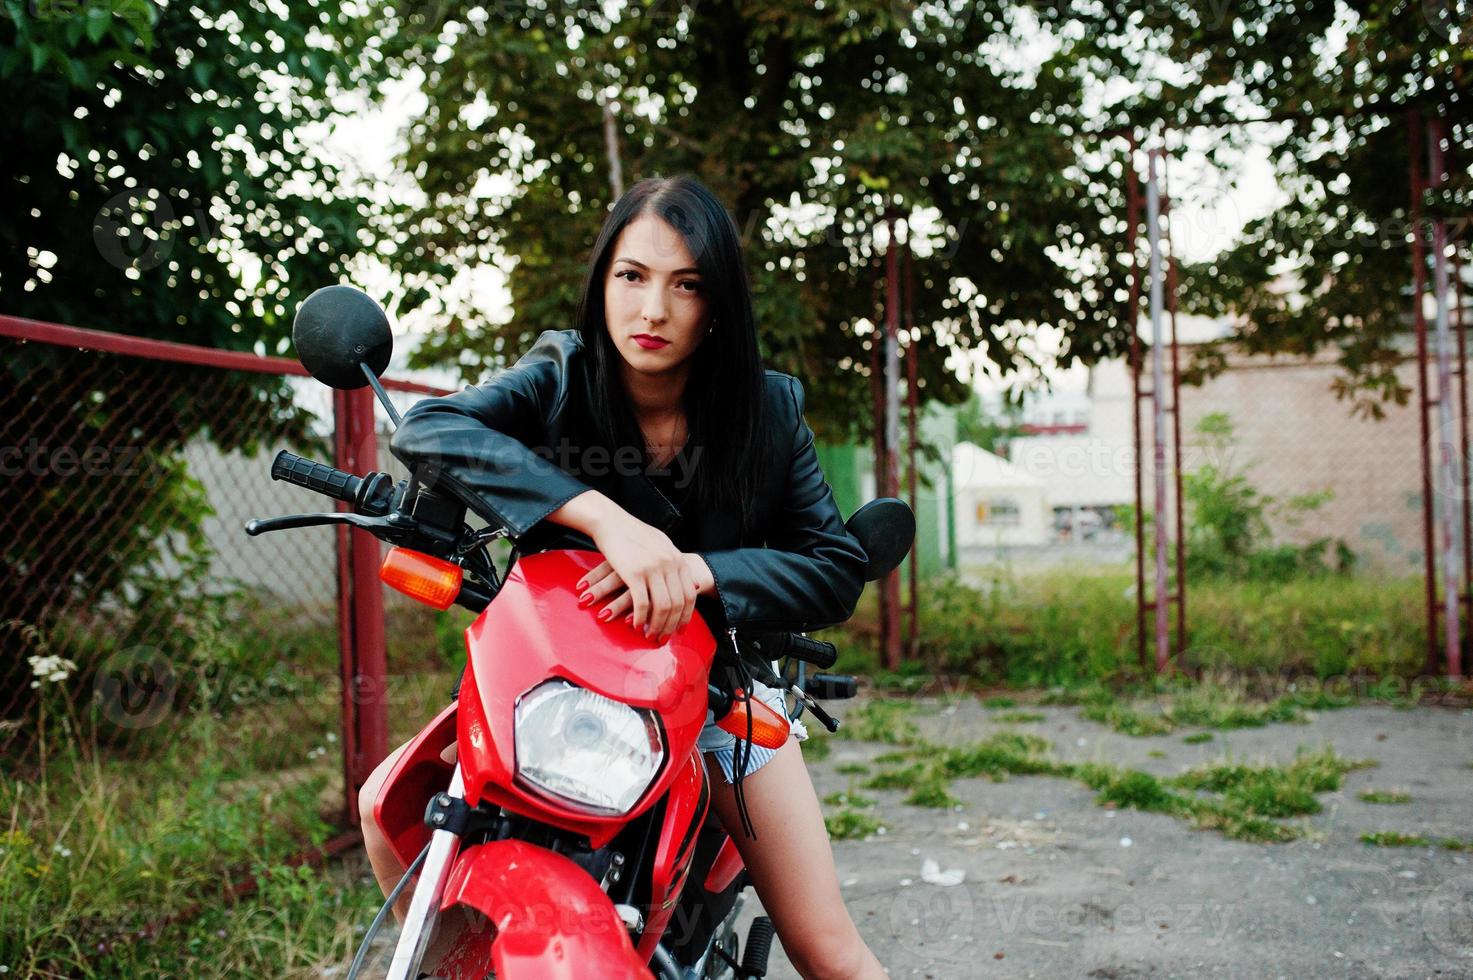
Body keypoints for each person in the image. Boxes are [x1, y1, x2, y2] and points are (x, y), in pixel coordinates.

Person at [360, 174, 889, 980]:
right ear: (602, 279)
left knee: (829, 952)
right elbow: (433, 428)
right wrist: (607, 519)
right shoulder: (560, 376)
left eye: (685, 285)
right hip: (555, 685)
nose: (652, 310)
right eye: (632, 277)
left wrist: (698, 571)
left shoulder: (769, 410)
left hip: (715, 696)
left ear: (717, 305)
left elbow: (834, 567)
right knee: (380, 805)